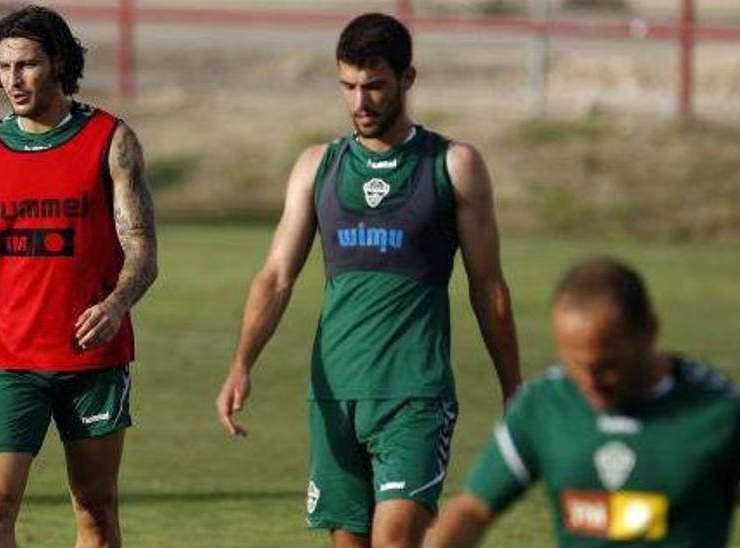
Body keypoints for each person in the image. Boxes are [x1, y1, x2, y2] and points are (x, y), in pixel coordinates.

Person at [215, 12, 522, 548]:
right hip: (335, 395)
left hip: (415, 394)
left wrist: (513, 390)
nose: (360, 102)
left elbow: (488, 290)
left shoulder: (452, 165)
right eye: (349, 87)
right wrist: (242, 363)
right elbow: (276, 278)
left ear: (408, 79)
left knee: (397, 538)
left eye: (375, 86)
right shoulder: (318, 167)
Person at [0, 6, 157, 548]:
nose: (13, 79)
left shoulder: (111, 139)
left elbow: (143, 251)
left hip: (91, 358)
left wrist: (116, 305)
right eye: (4, 67)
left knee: (95, 511)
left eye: (27, 65)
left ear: (58, 63)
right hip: (7, 357)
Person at [427, 257, 740, 547]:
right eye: (574, 366)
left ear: (648, 331)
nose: (589, 383)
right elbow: (471, 511)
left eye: (605, 367)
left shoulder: (719, 416)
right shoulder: (545, 407)